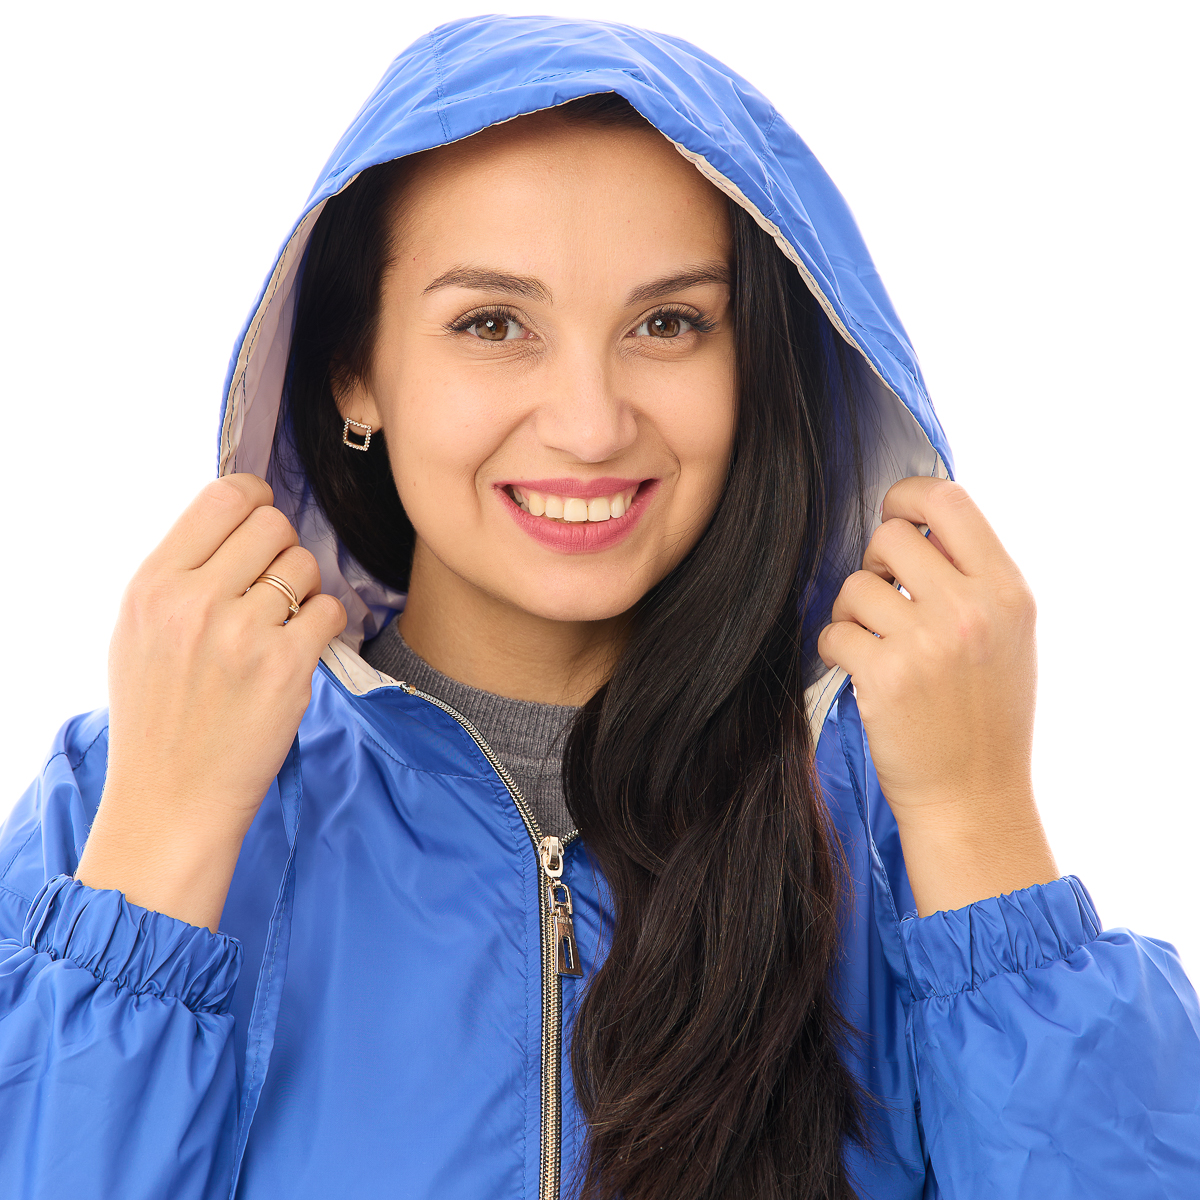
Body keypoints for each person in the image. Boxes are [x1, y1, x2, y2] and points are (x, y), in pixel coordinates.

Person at [0, 13, 1196, 1200]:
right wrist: (163, 848)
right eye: (493, 324)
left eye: (668, 324)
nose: (589, 424)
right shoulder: (124, 794)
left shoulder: (899, 813)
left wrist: (978, 824)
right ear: (353, 370)